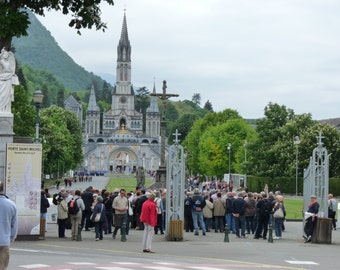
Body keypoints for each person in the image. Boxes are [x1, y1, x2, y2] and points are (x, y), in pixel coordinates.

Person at [0, 181, 18, 270]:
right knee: (3, 265)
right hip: (4, 240)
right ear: (3, 189)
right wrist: (12, 237)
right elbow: (14, 224)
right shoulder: (11, 204)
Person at [0, 48, 18, 114]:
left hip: (8, 79)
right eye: (4, 54)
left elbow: (11, 70)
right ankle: (1, 108)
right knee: (2, 95)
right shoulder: (1, 61)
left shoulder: (9, 62)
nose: (5, 55)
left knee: (7, 96)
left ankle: (6, 109)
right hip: (2, 78)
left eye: (7, 54)